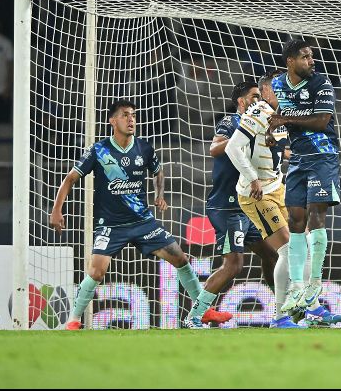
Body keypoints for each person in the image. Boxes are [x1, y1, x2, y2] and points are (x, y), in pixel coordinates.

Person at [51, 100, 222, 329]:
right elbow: (71, 178)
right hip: (111, 225)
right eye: (125, 115)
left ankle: (202, 310)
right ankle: (73, 320)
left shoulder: (144, 148)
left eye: (133, 115)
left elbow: (158, 171)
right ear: (113, 121)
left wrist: (159, 194)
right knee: (96, 271)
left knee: (180, 258)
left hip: (143, 222)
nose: (131, 119)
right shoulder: (99, 150)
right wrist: (56, 209)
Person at [184, 80, 285, 328]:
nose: (258, 99)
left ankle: (280, 310)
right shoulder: (232, 122)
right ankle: (195, 315)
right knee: (234, 264)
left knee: (272, 253)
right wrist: (240, 140)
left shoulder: (262, 124)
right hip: (228, 205)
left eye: (260, 95)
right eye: (253, 96)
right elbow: (214, 147)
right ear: (241, 102)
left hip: (249, 205)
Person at [270, 39, 341, 325]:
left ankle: (315, 284)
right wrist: (273, 133)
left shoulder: (322, 83)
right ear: (290, 61)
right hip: (299, 158)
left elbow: (322, 121)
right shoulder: (278, 85)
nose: (312, 61)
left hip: (323, 155)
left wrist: (285, 120)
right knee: (296, 219)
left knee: (316, 215)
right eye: (305, 57)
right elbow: (280, 121)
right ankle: (298, 287)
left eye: (312, 56)